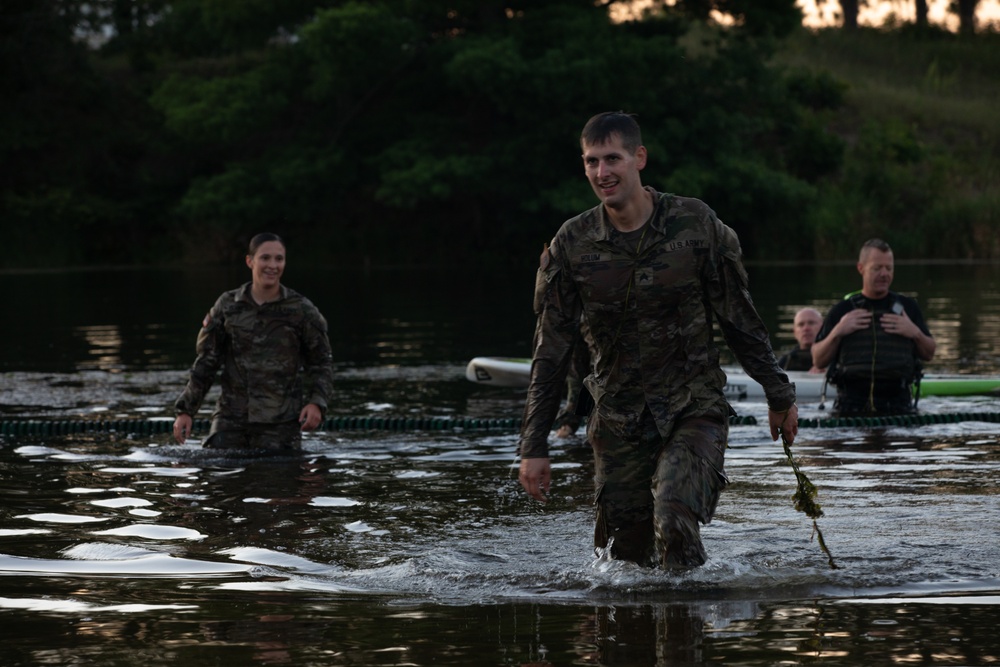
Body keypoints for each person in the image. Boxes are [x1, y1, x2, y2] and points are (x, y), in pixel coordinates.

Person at [517, 111, 798, 569]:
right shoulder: (572, 243)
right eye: (592, 162)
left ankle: (686, 626)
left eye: (613, 158)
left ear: (639, 158)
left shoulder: (695, 224)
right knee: (624, 560)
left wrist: (779, 393)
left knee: (672, 514)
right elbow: (550, 352)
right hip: (619, 417)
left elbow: (739, 319)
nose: (602, 172)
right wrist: (533, 446)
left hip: (693, 405)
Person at [172, 233, 335, 450]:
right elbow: (206, 362)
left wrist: (317, 403)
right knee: (216, 475)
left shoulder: (301, 310)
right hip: (231, 419)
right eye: (265, 258)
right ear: (250, 261)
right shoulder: (228, 305)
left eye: (279, 259)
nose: (272, 265)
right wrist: (186, 410)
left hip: (280, 422)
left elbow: (322, 363)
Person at [811, 238, 935, 416]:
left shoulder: (907, 308)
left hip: (899, 406)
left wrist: (914, 332)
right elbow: (818, 360)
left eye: (889, 268)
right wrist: (837, 332)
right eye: (877, 268)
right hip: (850, 406)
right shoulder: (842, 311)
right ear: (861, 268)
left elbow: (929, 353)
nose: (884, 274)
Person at [777, 307, 824, 372]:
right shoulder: (785, 361)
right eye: (801, 324)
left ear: (823, 328)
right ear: (795, 332)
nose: (806, 328)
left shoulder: (836, 359)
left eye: (811, 323)